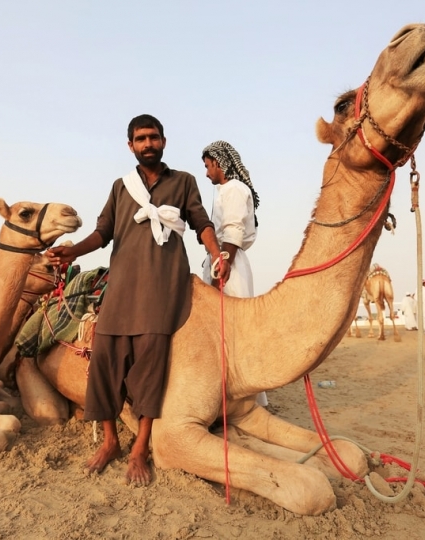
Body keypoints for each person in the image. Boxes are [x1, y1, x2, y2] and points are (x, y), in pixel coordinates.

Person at [45, 114, 228, 486]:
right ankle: (110, 440)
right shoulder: (121, 187)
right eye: (141, 139)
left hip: (163, 289)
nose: (148, 144)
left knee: (149, 370)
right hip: (123, 286)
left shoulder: (184, 182)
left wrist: (217, 253)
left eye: (154, 137)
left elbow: (201, 223)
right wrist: (73, 253)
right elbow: (102, 233)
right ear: (130, 145)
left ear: (164, 141)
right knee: (104, 363)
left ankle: (139, 450)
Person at [200, 140, 268, 407]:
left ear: (218, 163)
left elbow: (234, 229)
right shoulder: (224, 191)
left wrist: (223, 262)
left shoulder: (235, 189)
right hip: (221, 261)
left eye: (207, 166)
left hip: (230, 264)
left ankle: (248, 399)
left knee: (236, 330)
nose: (206, 173)